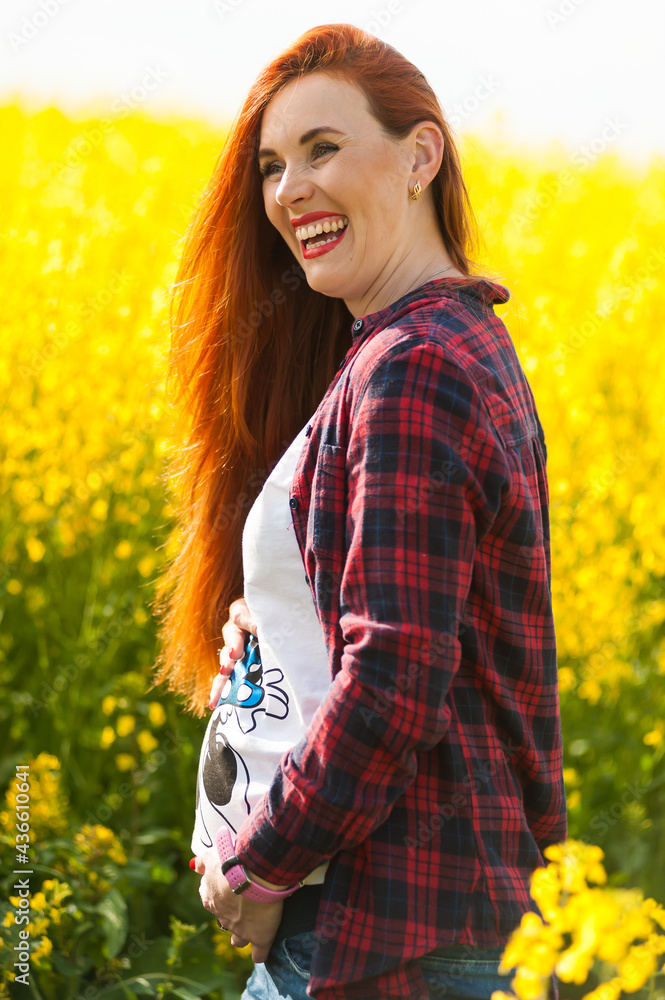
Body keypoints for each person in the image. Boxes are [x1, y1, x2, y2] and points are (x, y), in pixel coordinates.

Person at [153, 22, 567, 1000]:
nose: (287, 190)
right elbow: (386, 640)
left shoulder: (416, 367)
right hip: (398, 931)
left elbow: (391, 683)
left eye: (322, 148)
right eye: (270, 165)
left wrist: (262, 863)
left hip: (384, 943)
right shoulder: (417, 349)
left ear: (419, 154)